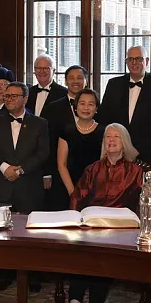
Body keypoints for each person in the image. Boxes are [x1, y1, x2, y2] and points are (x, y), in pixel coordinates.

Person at [65, 123, 144, 303]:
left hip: (117, 231)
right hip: (89, 226)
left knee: (101, 263)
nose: (111, 140)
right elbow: (76, 197)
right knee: (80, 259)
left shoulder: (136, 172)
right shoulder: (92, 169)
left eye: (116, 137)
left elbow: (142, 204)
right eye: (108, 136)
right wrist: (73, 222)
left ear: (124, 142)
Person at [0, 82, 50, 213]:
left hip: (29, 189)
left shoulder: (40, 123)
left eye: (14, 96)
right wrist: (5, 168)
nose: (9, 99)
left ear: (25, 98)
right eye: (7, 96)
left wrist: (20, 170)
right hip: (1, 188)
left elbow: (42, 153)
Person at [98, 45, 151, 171]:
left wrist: (138, 150)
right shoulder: (113, 84)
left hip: (147, 155)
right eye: (130, 59)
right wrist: (116, 146)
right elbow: (104, 117)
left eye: (138, 59)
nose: (134, 63)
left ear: (146, 61)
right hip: (116, 154)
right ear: (126, 62)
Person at [42, 65, 89, 210]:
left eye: (80, 78)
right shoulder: (52, 108)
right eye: (71, 78)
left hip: (88, 171)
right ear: (65, 81)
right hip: (59, 171)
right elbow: (46, 141)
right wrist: (47, 173)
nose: (76, 81)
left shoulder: (95, 107)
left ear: (86, 80)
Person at [56, 89, 104, 197]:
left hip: (98, 187)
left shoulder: (104, 131)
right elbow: (61, 164)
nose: (86, 108)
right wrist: (73, 192)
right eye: (82, 103)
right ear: (76, 107)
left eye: (91, 104)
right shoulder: (66, 131)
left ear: (96, 108)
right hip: (69, 186)